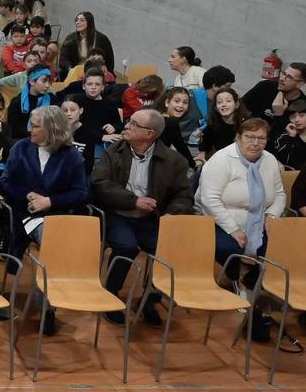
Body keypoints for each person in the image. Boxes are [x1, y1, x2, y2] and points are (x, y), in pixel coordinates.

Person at [91, 109, 195, 325]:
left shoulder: (174, 161)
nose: (127, 125)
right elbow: (99, 183)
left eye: (134, 124)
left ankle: (150, 299)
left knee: (167, 248)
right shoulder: (114, 151)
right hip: (117, 212)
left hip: (152, 217)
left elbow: (184, 195)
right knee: (127, 246)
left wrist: (170, 215)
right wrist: (132, 200)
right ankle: (110, 294)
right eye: (129, 122)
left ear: (150, 134)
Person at [0, 106, 90, 331]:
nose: (31, 129)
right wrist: (27, 195)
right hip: (25, 213)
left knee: (53, 240)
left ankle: (47, 304)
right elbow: (5, 181)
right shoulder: (20, 148)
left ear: (51, 129)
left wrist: (50, 201)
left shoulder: (71, 156)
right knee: (51, 241)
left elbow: (81, 193)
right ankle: (47, 305)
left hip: (58, 216)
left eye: (36, 125)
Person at [195, 118, 286, 341]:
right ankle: (238, 275)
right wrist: (233, 228)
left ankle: (256, 282)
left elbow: (280, 194)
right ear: (238, 138)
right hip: (218, 218)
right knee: (230, 246)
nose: (256, 143)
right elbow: (209, 199)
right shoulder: (222, 159)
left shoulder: (269, 160)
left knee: (278, 248)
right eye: (250, 138)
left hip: (259, 218)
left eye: (261, 138)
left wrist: (272, 215)